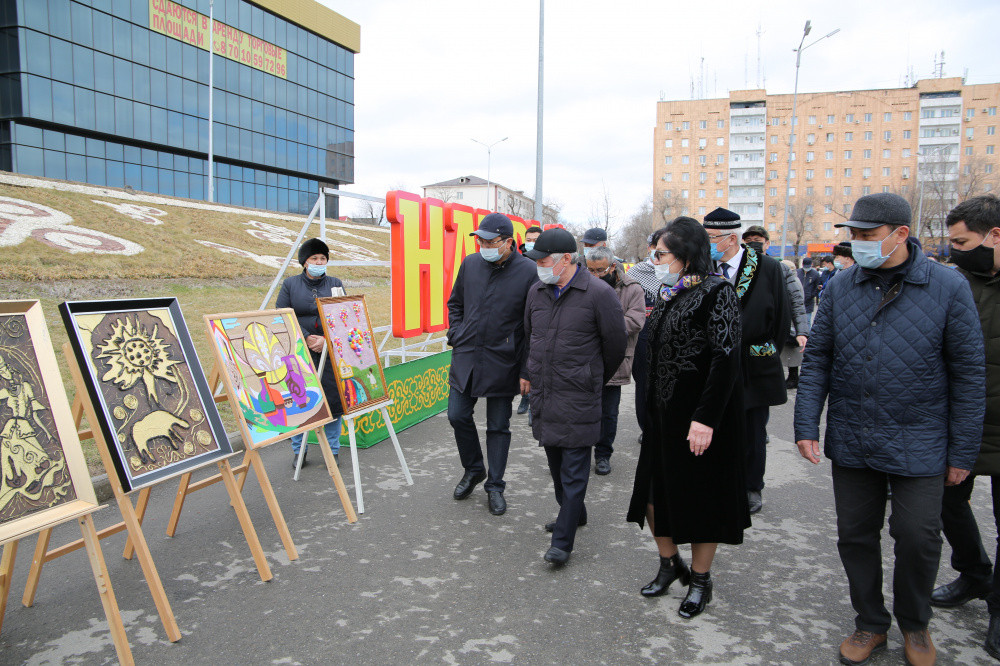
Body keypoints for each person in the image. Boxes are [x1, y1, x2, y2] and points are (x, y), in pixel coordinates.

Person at [794, 192, 985, 666]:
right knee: (855, 535)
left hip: (921, 437)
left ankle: (915, 625)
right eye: (852, 235)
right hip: (855, 433)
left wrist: (962, 452)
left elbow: (968, 372)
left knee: (919, 536)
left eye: (866, 235)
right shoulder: (841, 287)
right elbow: (818, 358)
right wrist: (806, 423)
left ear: (901, 234)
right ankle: (870, 623)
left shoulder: (947, 286)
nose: (856, 243)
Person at [627, 216, 749, 618]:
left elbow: (726, 358)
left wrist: (706, 418)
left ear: (684, 255)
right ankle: (669, 564)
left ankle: (700, 580)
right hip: (662, 416)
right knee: (651, 494)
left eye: (660, 253)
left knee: (701, 502)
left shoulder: (719, 293)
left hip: (700, 420)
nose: (654, 259)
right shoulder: (671, 290)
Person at [522, 228, 626, 565]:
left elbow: (615, 347)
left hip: (579, 395)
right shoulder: (537, 291)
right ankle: (574, 512)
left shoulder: (598, 294)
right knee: (555, 462)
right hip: (546, 393)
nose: (539, 265)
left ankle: (562, 541)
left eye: (545, 259)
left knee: (574, 470)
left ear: (567, 259)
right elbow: (530, 336)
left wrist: (590, 378)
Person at [934, 194, 1000, 661]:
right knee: (946, 503)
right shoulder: (956, 285)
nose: (956, 251)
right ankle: (975, 572)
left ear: (995, 235)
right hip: (963, 423)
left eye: (963, 241)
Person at [447, 213, 538, 516]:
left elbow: (532, 326)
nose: (484, 245)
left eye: (490, 241)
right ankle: (474, 469)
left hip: (504, 360)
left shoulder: (528, 272)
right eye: (480, 240)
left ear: (509, 242)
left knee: (499, 426)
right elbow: (455, 303)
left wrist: (526, 370)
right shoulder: (471, 264)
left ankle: (495, 486)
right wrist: (456, 333)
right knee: (457, 415)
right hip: (467, 355)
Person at [704, 207, 789, 515]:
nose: (708, 243)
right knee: (713, 424)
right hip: (712, 364)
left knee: (752, 431)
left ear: (732, 238)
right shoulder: (703, 268)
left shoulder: (766, 267)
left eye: (712, 238)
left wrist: (762, 353)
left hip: (752, 363)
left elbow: (780, 319)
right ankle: (719, 481)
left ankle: (751, 486)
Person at [275, 237, 346, 468]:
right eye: (314, 258)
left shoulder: (335, 283)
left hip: (328, 349)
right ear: (305, 262)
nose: (319, 261)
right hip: (298, 350)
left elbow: (342, 315)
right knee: (299, 399)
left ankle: (333, 450)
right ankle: (299, 450)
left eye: (323, 258)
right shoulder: (290, 284)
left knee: (333, 400)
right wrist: (306, 337)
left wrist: (326, 340)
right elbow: (283, 314)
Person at [585, 246, 646, 475]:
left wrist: (604, 325)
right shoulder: (582, 283)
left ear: (612, 266)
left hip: (615, 359)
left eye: (600, 270)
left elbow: (636, 321)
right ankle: (578, 453)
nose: (596, 275)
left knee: (608, 412)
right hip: (584, 358)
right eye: (591, 270)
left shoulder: (632, 288)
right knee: (581, 409)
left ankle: (603, 454)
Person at [626, 234, 662, 445]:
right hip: (643, 334)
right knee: (644, 383)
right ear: (650, 247)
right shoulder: (636, 273)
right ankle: (646, 427)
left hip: (669, 333)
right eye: (657, 248)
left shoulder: (678, 272)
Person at [516, 225, 544, 416]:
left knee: (536, 361)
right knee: (524, 362)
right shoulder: (519, 258)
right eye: (529, 239)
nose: (531, 242)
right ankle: (525, 399)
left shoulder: (545, 260)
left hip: (539, 315)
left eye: (536, 239)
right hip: (520, 316)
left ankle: (535, 405)